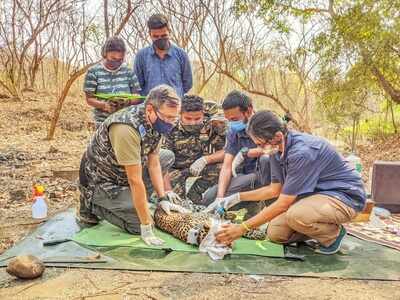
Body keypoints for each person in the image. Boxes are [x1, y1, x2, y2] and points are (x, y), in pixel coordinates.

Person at [214, 111, 367, 255]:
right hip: (315, 197)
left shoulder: (302, 152)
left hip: (343, 197)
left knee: (296, 215)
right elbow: (274, 190)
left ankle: (332, 234)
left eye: (261, 144)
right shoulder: (276, 149)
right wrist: (236, 197)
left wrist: (242, 228)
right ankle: (314, 227)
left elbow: (283, 203)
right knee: (276, 234)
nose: (259, 149)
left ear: (278, 135)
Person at [77, 85, 185, 246]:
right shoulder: (126, 128)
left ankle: (140, 201)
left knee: (166, 156)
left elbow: (154, 160)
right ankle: (92, 205)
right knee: (140, 223)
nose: (170, 123)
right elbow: (135, 180)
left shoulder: (157, 121)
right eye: (168, 117)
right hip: (103, 181)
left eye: (174, 118)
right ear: (150, 109)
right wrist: (146, 226)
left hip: (125, 171)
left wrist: (163, 198)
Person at [202, 90, 271, 219]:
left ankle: (263, 203)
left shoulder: (266, 121)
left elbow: (274, 148)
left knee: (266, 160)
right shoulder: (234, 131)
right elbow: (227, 166)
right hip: (246, 175)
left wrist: (246, 153)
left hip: (268, 176)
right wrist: (219, 198)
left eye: (234, 119)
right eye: (229, 120)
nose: (231, 123)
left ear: (249, 111)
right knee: (209, 198)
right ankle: (249, 203)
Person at [163, 95, 226, 205]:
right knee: (178, 204)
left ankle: (195, 193)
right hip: (174, 170)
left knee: (223, 168)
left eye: (197, 119)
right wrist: (168, 190)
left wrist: (206, 159)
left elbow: (228, 151)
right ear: (180, 114)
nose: (193, 123)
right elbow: (161, 165)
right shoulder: (169, 128)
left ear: (203, 114)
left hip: (198, 165)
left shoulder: (211, 124)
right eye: (188, 118)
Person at [83, 36, 141, 128]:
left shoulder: (128, 72)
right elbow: (89, 99)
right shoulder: (93, 72)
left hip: (125, 122)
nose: (117, 62)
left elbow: (137, 97)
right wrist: (105, 105)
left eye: (120, 60)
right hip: (102, 123)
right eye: (113, 59)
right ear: (105, 54)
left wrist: (126, 102)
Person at [133, 14, 193, 97]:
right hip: (151, 107)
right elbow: (137, 85)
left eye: (164, 36)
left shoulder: (181, 55)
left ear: (169, 32)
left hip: (175, 106)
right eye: (156, 36)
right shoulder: (141, 56)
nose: (160, 39)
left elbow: (187, 84)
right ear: (150, 34)